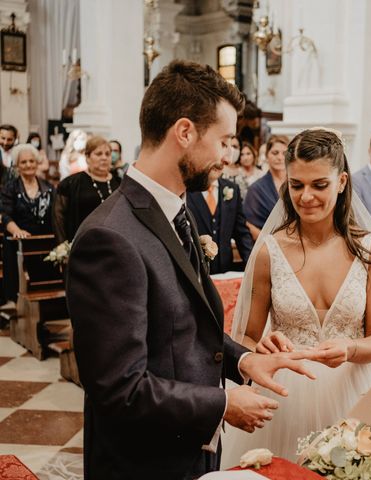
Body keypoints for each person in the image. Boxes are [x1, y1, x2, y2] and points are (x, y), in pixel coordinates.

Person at [66, 60, 324, 479]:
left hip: (188, 453)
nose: (227, 156)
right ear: (185, 132)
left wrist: (242, 362)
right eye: (223, 140)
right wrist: (222, 404)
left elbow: (180, 326)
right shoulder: (110, 238)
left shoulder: (172, 211)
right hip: (144, 465)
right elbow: (120, 389)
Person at [222, 128, 371, 465]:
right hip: (285, 397)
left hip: (353, 396)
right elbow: (246, 337)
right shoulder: (271, 251)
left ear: (341, 182)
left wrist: (349, 348)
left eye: (318, 185)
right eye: (296, 185)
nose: (306, 196)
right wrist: (261, 346)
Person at [0, 144, 55, 306]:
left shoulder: (48, 187)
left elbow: (55, 214)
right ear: (17, 165)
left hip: (43, 240)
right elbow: (4, 215)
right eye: (24, 162)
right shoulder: (10, 188)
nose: (29, 165)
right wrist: (17, 230)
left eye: (32, 161)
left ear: (37, 163)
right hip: (18, 242)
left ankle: (44, 315)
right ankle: (15, 308)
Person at [53, 136, 121, 243]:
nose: (104, 158)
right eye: (98, 154)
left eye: (107, 154)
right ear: (87, 157)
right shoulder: (71, 183)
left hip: (113, 241)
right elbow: (58, 217)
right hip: (83, 242)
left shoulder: (119, 183)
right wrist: (63, 246)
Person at [187, 165, 254, 274]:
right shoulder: (188, 189)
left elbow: (241, 233)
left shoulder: (232, 189)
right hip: (196, 271)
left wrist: (252, 267)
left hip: (225, 269)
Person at [243, 135, 289, 239]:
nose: (280, 157)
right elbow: (249, 224)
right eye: (275, 153)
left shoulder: (297, 184)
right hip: (267, 245)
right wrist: (270, 244)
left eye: (284, 153)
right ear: (267, 156)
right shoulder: (256, 189)